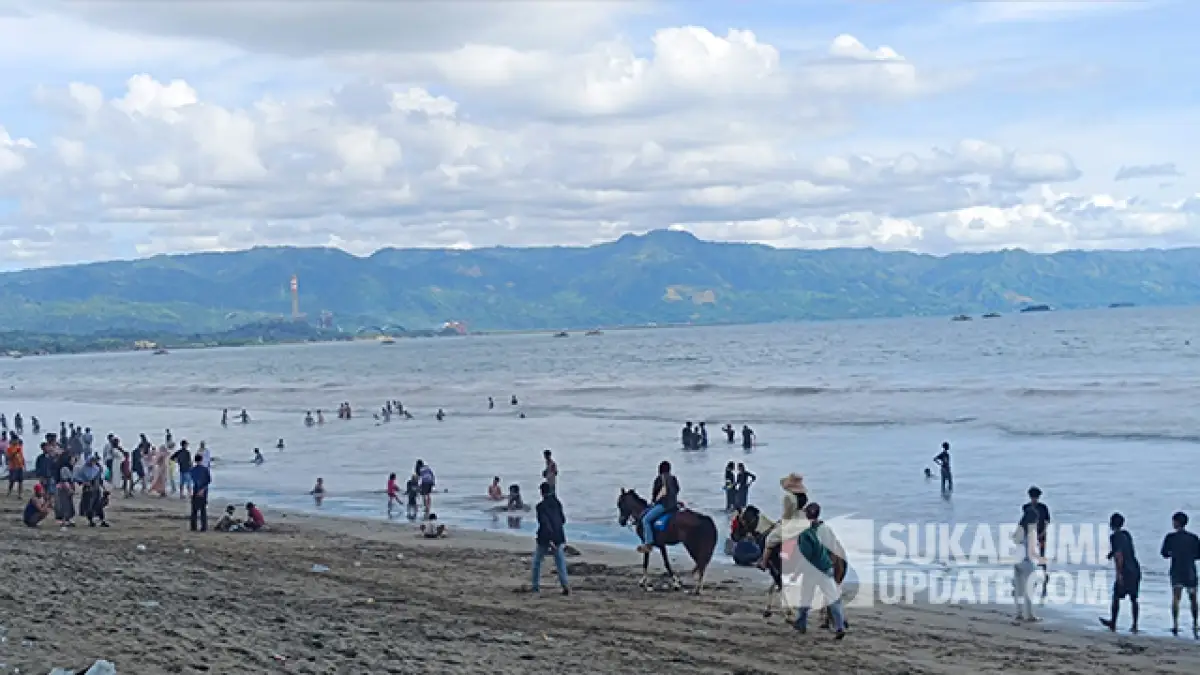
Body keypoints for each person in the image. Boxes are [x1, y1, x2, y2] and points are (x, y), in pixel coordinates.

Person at [793, 502, 848, 639]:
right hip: (827, 566)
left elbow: (805, 557)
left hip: (812, 571)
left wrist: (796, 573)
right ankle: (839, 626)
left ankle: (801, 623)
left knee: (806, 597)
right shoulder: (824, 529)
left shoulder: (805, 533)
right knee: (833, 598)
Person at [1161, 511, 1200, 638]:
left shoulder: (1170, 537)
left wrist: (1173, 553)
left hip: (1176, 569)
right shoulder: (1193, 538)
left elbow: (1164, 553)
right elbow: (1198, 555)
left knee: (1176, 597)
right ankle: (1195, 623)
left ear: (1176, 522)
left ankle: (1176, 624)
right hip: (1190, 569)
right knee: (1193, 598)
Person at [1101, 512, 1141, 633]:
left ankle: (1113, 622)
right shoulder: (1126, 534)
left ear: (1111, 524)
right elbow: (1123, 549)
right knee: (1134, 598)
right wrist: (1111, 554)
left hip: (1125, 570)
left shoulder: (1114, 537)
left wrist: (1119, 574)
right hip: (1135, 568)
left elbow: (1119, 555)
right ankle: (1135, 624)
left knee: (1116, 596)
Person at [532, 481, 569, 595]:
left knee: (537, 562)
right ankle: (565, 585)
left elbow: (545, 523)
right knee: (560, 562)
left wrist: (550, 539)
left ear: (541, 492)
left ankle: (535, 586)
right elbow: (563, 520)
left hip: (545, 537)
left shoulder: (540, 507)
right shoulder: (558, 503)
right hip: (559, 536)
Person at [637, 461, 679, 554]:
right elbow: (677, 490)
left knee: (646, 520)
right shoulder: (674, 478)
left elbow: (655, 494)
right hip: (674, 505)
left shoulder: (659, 479)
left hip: (664, 505)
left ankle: (648, 543)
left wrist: (654, 501)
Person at [1023, 486, 1051, 593]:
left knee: (1042, 555)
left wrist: (1042, 532)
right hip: (1030, 534)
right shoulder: (1026, 507)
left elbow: (1047, 521)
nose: (1034, 499)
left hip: (1042, 533)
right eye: (1032, 497)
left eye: (1036, 497)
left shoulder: (1043, 507)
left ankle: (1045, 574)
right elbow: (1025, 521)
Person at [190, 455, 212, 532]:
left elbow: (193, 480)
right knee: (203, 510)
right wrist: (203, 489)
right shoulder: (205, 469)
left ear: (195, 460)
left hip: (196, 490)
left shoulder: (192, 470)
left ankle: (193, 527)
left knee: (194, 510)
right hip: (204, 490)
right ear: (202, 460)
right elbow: (208, 481)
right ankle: (203, 527)